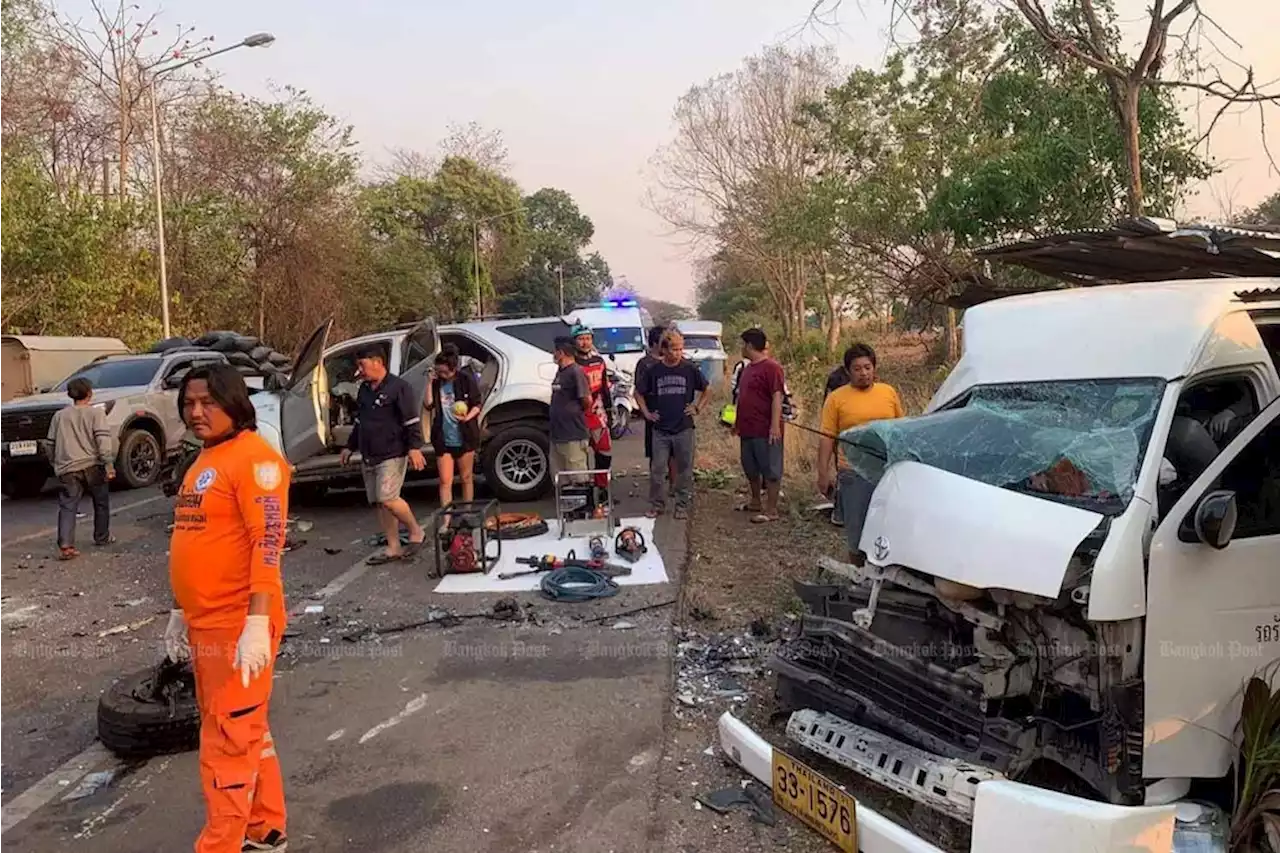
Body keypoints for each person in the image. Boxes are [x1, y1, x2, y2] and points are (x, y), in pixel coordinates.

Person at [163, 363, 290, 853]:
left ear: (234, 404)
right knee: (246, 730)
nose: (196, 412)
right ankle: (264, 827)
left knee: (226, 741)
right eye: (189, 403)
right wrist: (180, 608)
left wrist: (256, 622)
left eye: (207, 402)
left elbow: (268, 543)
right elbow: (193, 538)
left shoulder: (256, 461)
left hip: (239, 624)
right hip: (205, 623)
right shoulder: (203, 460)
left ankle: (220, 844)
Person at [339, 345, 427, 564]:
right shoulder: (364, 390)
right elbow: (360, 421)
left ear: (378, 362)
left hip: (393, 452)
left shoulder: (399, 387)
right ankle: (393, 545)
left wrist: (414, 447)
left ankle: (416, 530)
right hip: (370, 453)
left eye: (363, 364)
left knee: (388, 497)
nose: (360, 369)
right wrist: (350, 446)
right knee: (380, 502)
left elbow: (411, 420)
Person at [817, 343, 904, 527]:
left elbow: (900, 429)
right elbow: (826, 437)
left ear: (874, 368)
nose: (863, 373)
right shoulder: (836, 399)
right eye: (857, 369)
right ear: (848, 372)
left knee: (886, 526)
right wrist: (823, 473)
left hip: (886, 469)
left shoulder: (888, 392)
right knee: (856, 529)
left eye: (867, 367)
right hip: (852, 472)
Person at [637, 329, 710, 519]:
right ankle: (657, 505)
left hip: (683, 427)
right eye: (673, 349)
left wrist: (697, 408)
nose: (677, 353)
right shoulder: (654, 370)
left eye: (680, 349)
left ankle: (682, 505)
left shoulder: (689, 369)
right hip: (660, 429)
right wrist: (646, 413)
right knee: (657, 469)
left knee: (685, 469)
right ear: (664, 349)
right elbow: (638, 393)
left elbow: (706, 389)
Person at [48, 377, 115, 560]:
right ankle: (102, 536)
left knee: (68, 506)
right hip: (92, 464)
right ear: (89, 393)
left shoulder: (59, 416)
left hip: (68, 467)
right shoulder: (96, 414)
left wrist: (55, 462)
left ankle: (66, 545)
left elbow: (50, 444)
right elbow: (102, 440)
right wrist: (108, 464)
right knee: (101, 502)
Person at [422, 343, 483, 514]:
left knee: (466, 477)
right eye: (438, 371)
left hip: (464, 435)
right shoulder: (436, 383)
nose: (442, 375)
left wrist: (466, 418)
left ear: (454, 368)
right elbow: (428, 405)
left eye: (445, 372)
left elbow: (477, 403)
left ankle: (468, 512)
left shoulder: (465, 380)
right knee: (445, 480)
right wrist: (429, 383)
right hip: (443, 436)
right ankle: (447, 517)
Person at [734, 327, 786, 523]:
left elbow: (777, 396)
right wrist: (736, 422)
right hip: (748, 428)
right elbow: (742, 398)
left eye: (742, 344)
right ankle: (755, 501)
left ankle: (771, 509)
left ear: (749, 345)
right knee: (750, 466)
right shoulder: (747, 369)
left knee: (771, 469)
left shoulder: (772, 367)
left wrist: (774, 425)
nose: (741, 348)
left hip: (766, 429)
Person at [572, 323, 613, 492]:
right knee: (578, 456)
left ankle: (602, 488)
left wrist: (610, 412)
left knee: (604, 451)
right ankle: (583, 491)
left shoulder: (599, 361)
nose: (585, 343)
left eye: (588, 339)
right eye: (581, 339)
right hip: (577, 414)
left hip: (597, 413)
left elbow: (604, 387)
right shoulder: (571, 364)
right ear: (574, 341)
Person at [550, 336, 593, 483]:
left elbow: (587, 400)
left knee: (578, 477)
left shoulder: (576, 372)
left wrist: (573, 412)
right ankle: (567, 505)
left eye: (555, 351)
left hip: (573, 434)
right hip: (558, 435)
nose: (553, 354)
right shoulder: (560, 372)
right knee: (561, 478)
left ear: (561, 352)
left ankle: (582, 505)